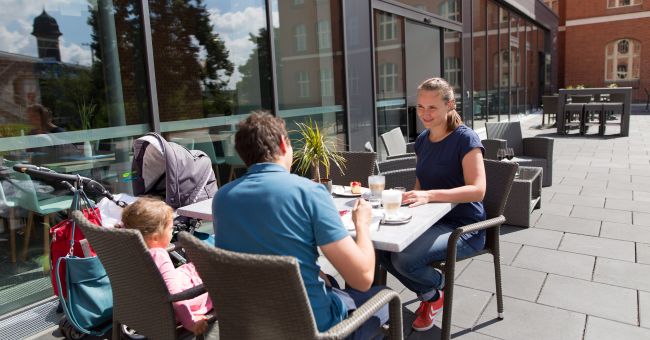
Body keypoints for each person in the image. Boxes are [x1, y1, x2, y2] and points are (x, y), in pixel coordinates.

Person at [212, 111, 388, 339]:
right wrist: (362, 224)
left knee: (330, 279)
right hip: (313, 328)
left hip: (252, 323)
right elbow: (362, 279)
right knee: (384, 295)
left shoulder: (222, 198)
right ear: (284, 144)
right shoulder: (309, 192)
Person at [377, 77, 486, 332]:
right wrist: (411, 201)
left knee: (404, 260)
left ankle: (439, 286)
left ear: (450, 105)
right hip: (430, 219)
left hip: (465, 227)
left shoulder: (465, 139)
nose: (425, 114)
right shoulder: (423, 141)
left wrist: (429, 196)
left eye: (432, 107)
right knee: (379, 247)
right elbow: (421, 183)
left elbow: (478, 190)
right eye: (420, 107)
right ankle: (432, 296)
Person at [121, 197, 212, 335]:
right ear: (155, 237)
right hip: (179, 304)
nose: (172, 232)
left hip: (149, 308)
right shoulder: (158, 255)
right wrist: (191, 322)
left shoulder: (127, 252)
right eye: (170, 229)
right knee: (221, 279)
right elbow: (176, 297)